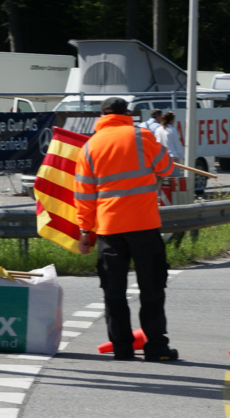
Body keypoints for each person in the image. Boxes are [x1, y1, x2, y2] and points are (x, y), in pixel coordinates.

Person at [74, 97, 179, 361]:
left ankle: (122, 347)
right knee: (152, 288)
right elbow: (166, 168)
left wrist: (86, 231)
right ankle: (156, 347)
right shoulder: (141, 136)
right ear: (127, 114)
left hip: (110, 229)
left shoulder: (89, 147)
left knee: (113, 291)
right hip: (144, 226)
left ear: (102, 115)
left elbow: (84, 196)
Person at [154, 112, 183, 176]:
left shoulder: (158, 130)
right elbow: (177, 145)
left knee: (162, 180)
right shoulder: (172, 130)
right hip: (172, 158)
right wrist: (182, 156)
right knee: (173, 180)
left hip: (162, 158)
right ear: (171, 120)